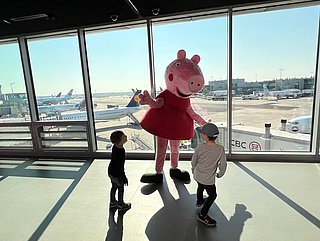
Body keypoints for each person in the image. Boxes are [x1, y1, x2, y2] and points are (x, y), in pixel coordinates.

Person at [191, 123, 227, 227]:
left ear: (205, 137)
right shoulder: (220, 149)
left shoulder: (199, 147)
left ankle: (199, 200)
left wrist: (194, 170)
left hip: (198, 175)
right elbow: (223, 164)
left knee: (200, 186)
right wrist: (220, 174)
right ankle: (202, 215)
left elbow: (194, 161)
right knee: (212, 195)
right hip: (208, 179)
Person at [108, 130, 131, 211]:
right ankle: (121, 205)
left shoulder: (115, 147)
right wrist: (124, 178)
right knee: (121, 189)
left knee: (114, 187)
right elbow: (120, 167)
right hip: (117, 174)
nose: (126, 136)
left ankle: (112, 202)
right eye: (124, 136)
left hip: (111, 172)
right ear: (121, 141)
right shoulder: (120, 152)